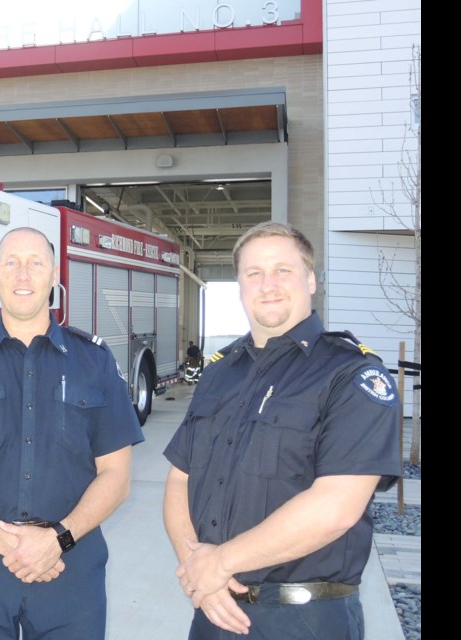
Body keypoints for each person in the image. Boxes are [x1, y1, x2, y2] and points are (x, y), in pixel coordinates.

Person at [162, 222, 401, 639]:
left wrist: (219, 563)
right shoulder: (220, 373)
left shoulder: (351, 374)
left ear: (310, 279)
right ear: (239, 286)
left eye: (282, 270)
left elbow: (335, 508)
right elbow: (180, 479)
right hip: (213, 608)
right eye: (253, 273)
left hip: (305, 620)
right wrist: (198, 568)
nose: (267, 284)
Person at [0, 227, 144, 639]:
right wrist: (7, 544)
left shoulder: (95, 361)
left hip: (70, 564)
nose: (22, 275)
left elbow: (117, 477)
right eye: (11, 264)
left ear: (54, 275)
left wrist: (58, 539)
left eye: (35, 263)